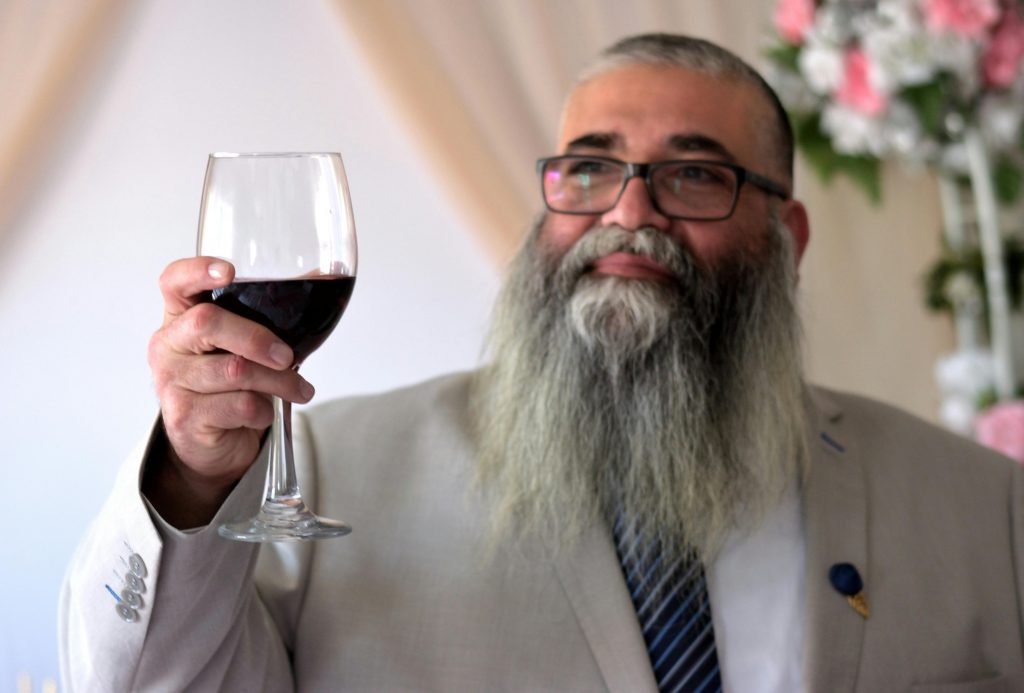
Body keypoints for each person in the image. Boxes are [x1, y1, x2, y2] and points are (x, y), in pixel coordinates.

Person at [60, 33, 1024, 692]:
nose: (630, 212)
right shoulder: (328, 469)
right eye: (590, 169)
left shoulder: (988, 509)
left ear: (788, 237)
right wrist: (192, 478)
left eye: (694, 175)